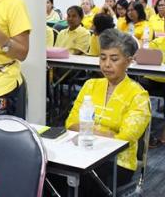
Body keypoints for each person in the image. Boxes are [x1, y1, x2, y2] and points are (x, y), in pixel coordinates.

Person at [65, 29, 151, 195]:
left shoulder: (138, 95)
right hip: (81, 153)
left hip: (117, 162)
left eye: (114, 59)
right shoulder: (90, 85)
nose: (106, 64)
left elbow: (124, 139)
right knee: (49, 174)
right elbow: (70, 124)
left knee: (83, 183)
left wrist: (88, 130)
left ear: (128, 61)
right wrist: (107, 133)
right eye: (103, 58)